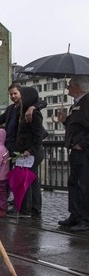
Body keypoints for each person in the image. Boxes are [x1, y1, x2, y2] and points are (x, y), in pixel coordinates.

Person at [57, 75, 89, 231]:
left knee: (84, 184)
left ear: (78, 87)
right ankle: (75, 215)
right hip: (76, 149)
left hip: (83, 150)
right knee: (73, 183)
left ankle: (85, 218)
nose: (68, 88)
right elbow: (76, 126)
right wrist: (65, 121)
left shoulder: (87, 102)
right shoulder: (76, 104)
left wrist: (81, 144)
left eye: (70, 85)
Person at [15, 87, 45, 218]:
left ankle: (26, 209)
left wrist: (30, 150)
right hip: (30, 150)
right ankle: (35, 208)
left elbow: (38, 135)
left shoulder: (34, 113)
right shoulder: (25, 111)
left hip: (31, 151)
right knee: (33, 180)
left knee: (25, 179)